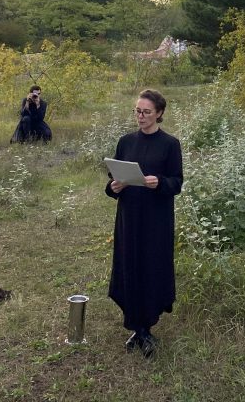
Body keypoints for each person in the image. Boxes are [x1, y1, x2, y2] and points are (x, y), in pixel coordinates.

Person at [105, 89, 183, 357]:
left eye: (146, 112)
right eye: (137, 111)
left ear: (159, 113)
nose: (140, 116)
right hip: (129, 216)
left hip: (156, 220)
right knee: (129, 265)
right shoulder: (125, 142)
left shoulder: (170, 145)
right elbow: (113, 180)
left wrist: (159, 182)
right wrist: (114, 186)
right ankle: (136, 328)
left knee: (151, 267)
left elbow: (177, 183)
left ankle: (146, 328)